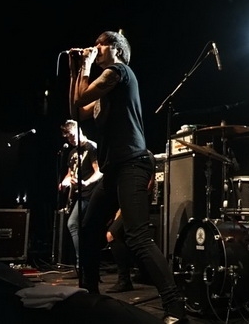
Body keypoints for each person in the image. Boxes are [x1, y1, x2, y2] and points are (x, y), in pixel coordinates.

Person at [68, 30, 186, 324]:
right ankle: (90, 295)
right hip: (114, 169)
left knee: (137, 236)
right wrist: (75, 71)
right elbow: (78, 109)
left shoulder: (118, 72)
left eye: (101, 43)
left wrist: (86, 66)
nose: (95, 47)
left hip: (133, 163)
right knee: (89, 228)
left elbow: (82, 96)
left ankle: (175, 308)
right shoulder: (105, 87)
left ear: (116, 49)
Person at [58, 119, 102, 268]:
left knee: (73, 224)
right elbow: (70, 174)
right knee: (81, 228)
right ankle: (85, 263)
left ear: (79, 131)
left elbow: (99, 172)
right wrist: (64, 182)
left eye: (71, 135)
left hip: (91, 193)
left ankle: (81, 263)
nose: (70, 139)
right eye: (68, 138)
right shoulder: (72, 153)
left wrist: (86, 182)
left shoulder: (91, 147)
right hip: (79, 195)